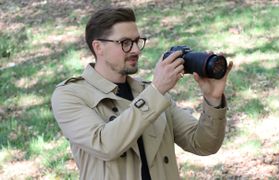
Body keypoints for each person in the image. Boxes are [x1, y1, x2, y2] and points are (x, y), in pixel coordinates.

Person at [51, 6, 233, 180]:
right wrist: (157, 90)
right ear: (98, 47)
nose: (136, 50)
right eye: (126, 43)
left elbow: (202, 144)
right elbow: (105, 145)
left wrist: (212, 99)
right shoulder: (70, 95)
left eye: (137, 41)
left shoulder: (149, 92)